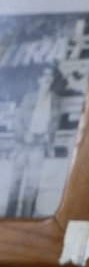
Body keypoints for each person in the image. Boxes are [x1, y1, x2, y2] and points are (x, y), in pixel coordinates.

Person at [5, 66, 58, 218]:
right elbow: (17, 120)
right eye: (44, 76)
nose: (47, 79)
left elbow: (54, 123)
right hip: (23, 144)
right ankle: (9, 217)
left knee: (32, 184)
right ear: (39, 80)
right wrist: (24, 134)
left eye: (50, 76)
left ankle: (26, 217)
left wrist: (49, 137)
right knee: (16, 182)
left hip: (39, 145)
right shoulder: (29, 97)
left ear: (52, 80)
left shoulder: (55, 100)